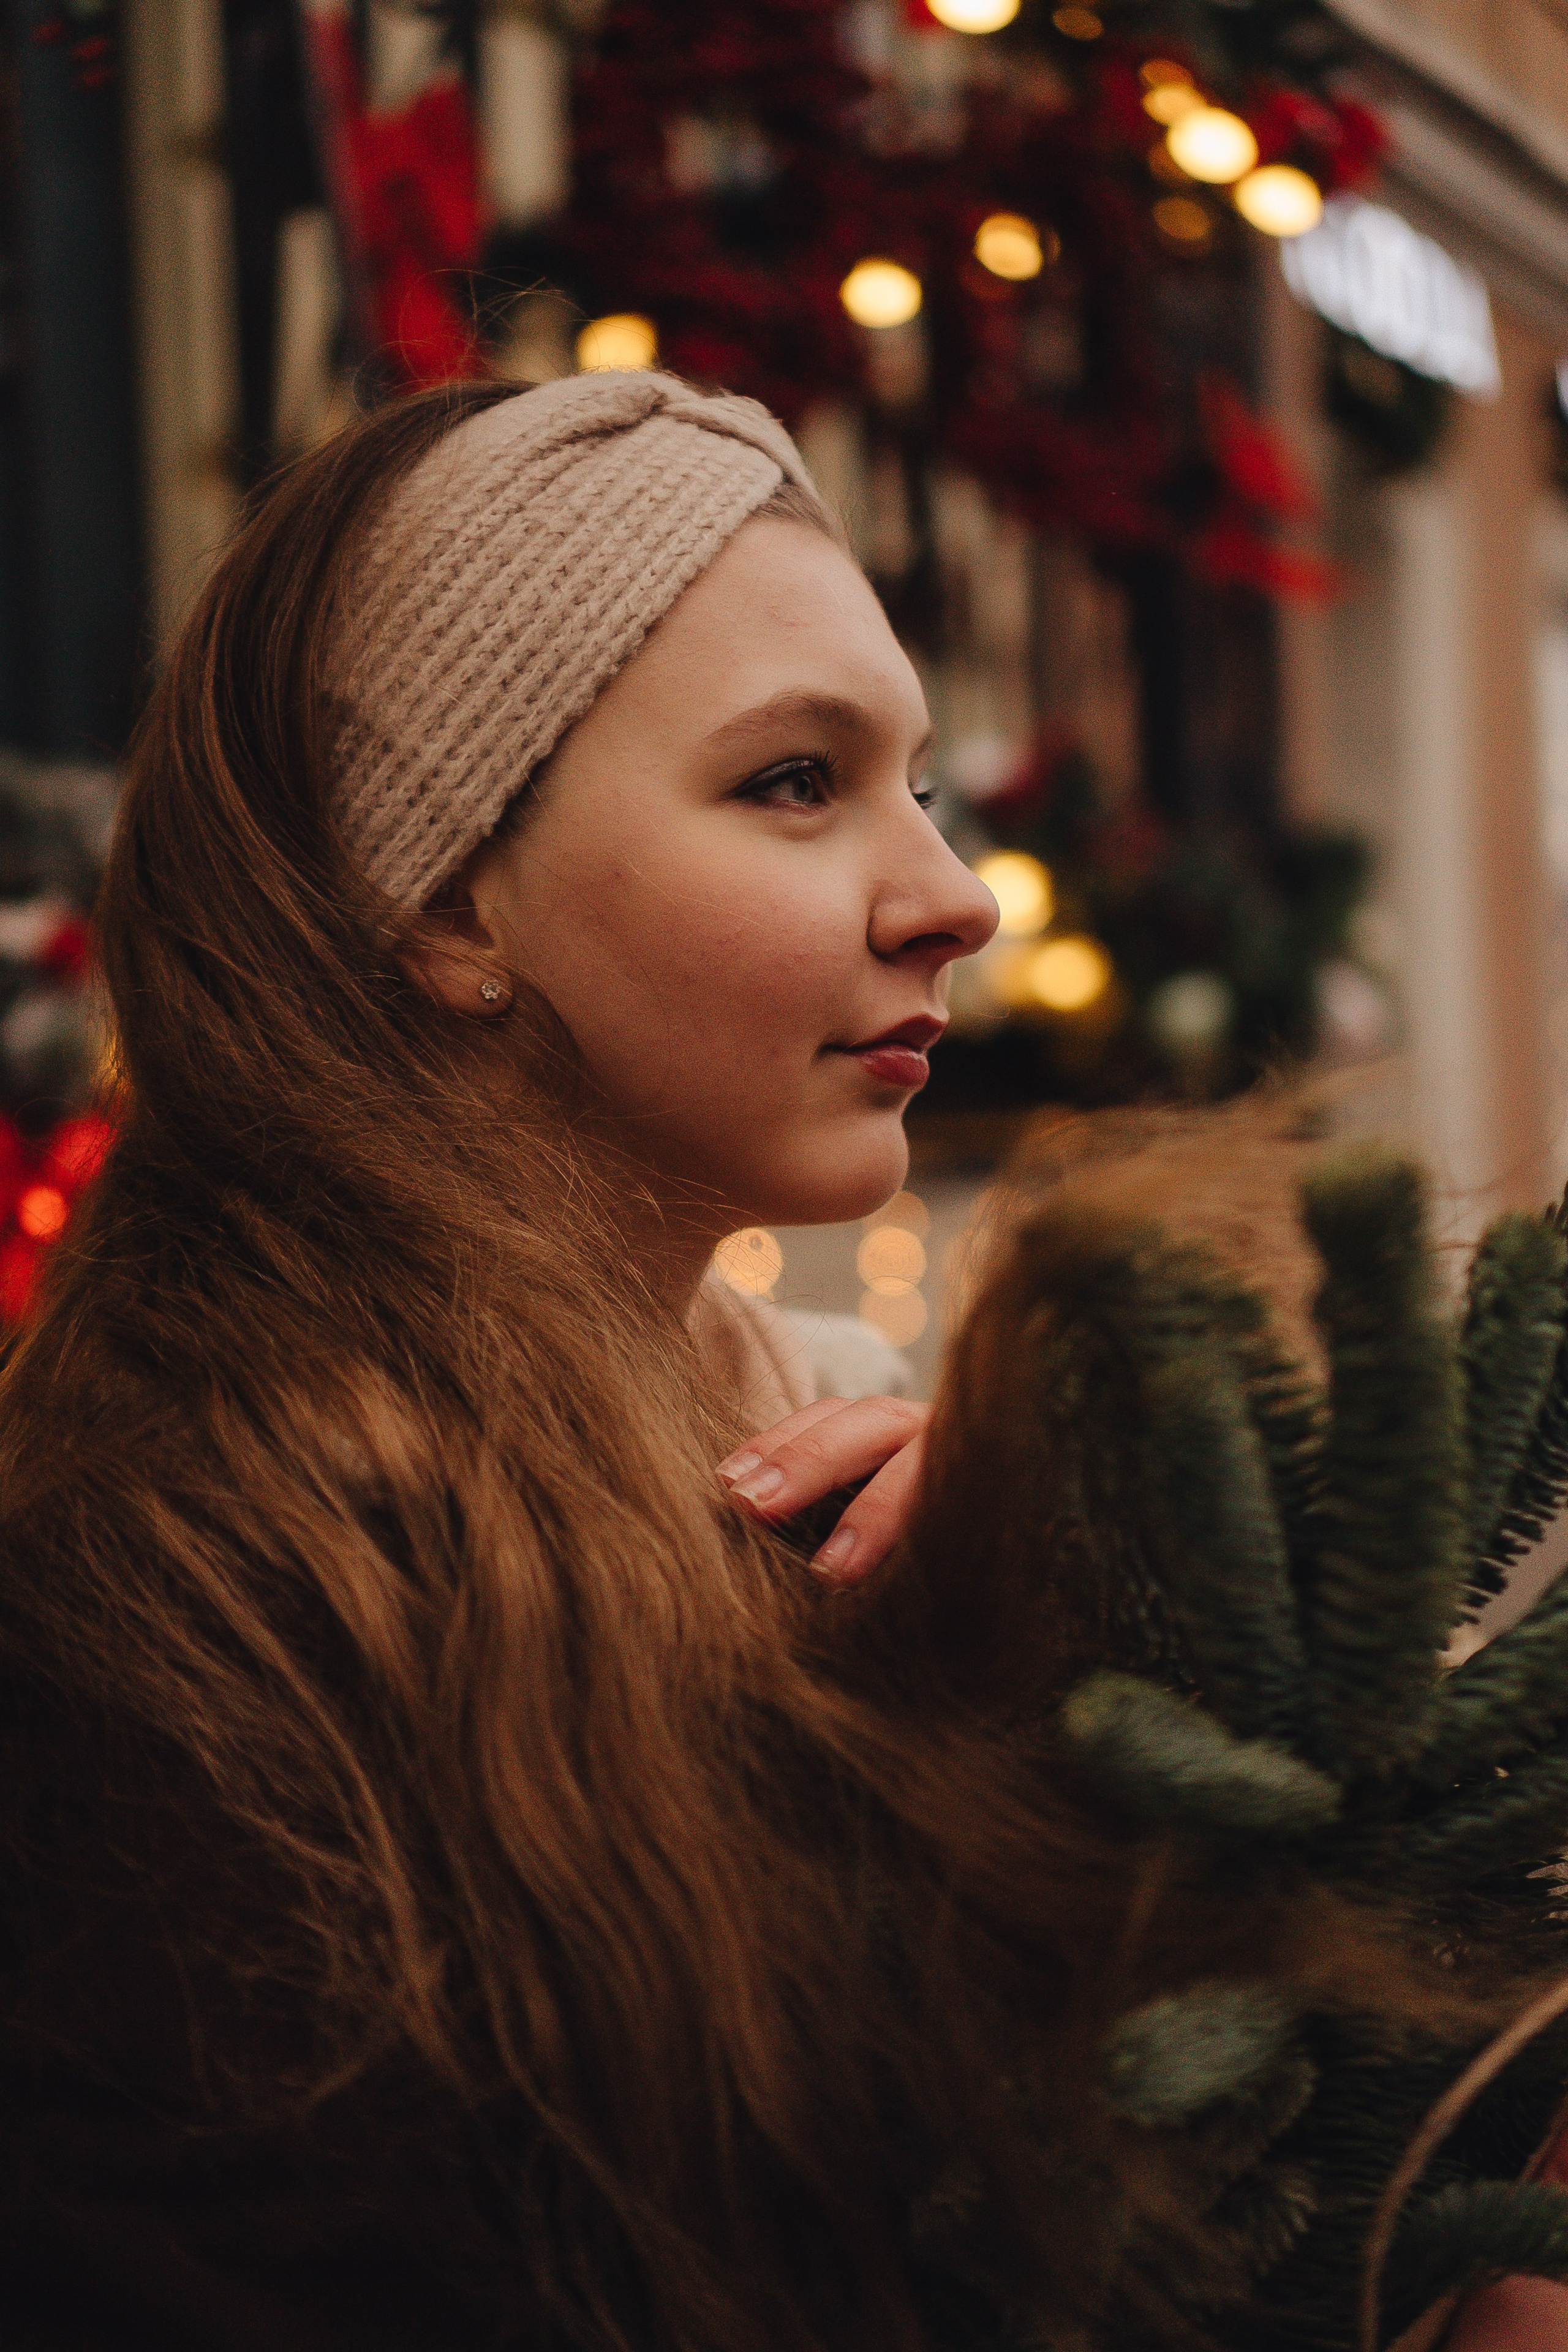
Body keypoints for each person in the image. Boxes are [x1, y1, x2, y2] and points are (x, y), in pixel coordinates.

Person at [0, 370, 1527, 2352]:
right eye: (795, 782)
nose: (956, 894)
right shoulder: (178, 1638)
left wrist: (1080, 1714)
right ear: (446, 895)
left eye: (919, 780)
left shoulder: (805, 1458)